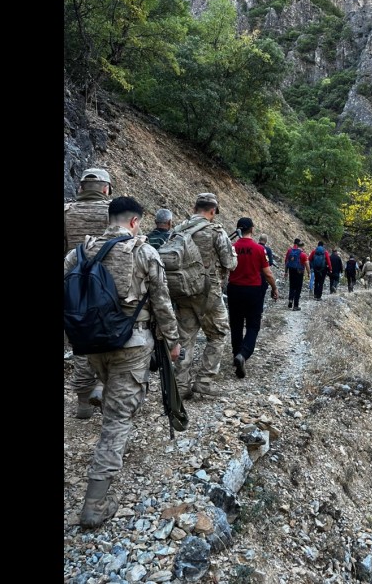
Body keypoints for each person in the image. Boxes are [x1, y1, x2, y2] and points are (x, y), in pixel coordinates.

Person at [63, 196, 182, 528]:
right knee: (118, 418)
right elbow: (162, 302)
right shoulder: (143, 252)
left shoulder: (79, 252)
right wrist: (173, 343)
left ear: (109, 218)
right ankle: (94, 504)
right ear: (134, 221)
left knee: (115, 404)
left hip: (91, 344)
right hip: (132, 344)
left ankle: (108, 427)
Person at [174, 192, 236, 398]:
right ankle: (204, 381)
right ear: (212, 211)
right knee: (218, 334)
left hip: (182, 291)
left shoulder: (178, 229)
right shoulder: (216, 231)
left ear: (194, 208)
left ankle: (181, 386)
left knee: (185, 338)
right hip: (208, 293)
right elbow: (230, 264)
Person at [63, 167, 113, 419]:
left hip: (74, 284)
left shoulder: (67, 212)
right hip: (107, 284)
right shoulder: (113, 212)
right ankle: (103, 387)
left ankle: (83, 402)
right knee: (108, 336)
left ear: (81, 188)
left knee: (80, 342)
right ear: (106, 189)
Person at [228, 217, 278, 379]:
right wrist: (274, 288)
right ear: (252, 229)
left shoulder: (232, 247)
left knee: (235, 324)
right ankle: (243, 355)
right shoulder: (258, 249)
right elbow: (267, 272)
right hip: (253, 291)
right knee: (252, 325)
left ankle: (236, 353)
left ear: (238, 230)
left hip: (234, 289)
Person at [283, 238, 309, 310]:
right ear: (300, 246)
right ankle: (296, 305)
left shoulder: (290, 251)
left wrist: (286, 272)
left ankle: (290, 300)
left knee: (291, 286)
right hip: (299, 272)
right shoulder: (302, 254)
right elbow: (306, 264)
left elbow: (286, 262)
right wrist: (309, 273)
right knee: (298, 288)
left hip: (291, 270)